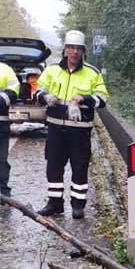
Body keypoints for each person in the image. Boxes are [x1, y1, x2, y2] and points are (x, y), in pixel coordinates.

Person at [36, 30, 109, 219]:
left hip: (80, 133)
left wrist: (84, 99)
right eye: (71, 48)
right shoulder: (52, 70)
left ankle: (78, 205)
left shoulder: (92, 73)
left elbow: (102, 99)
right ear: (65, 50)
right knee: (53, 167)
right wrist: (45, 97)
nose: (74, 52)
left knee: (80, 167)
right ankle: (55, 203)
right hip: (55, 130)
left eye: (78, 48)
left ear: (83, 51)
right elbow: (38, 91)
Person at [0, 61, 20, 197]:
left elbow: (13, 93)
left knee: (1, 160)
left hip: (0, 123)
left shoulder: (5, 70)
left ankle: (3, 192)